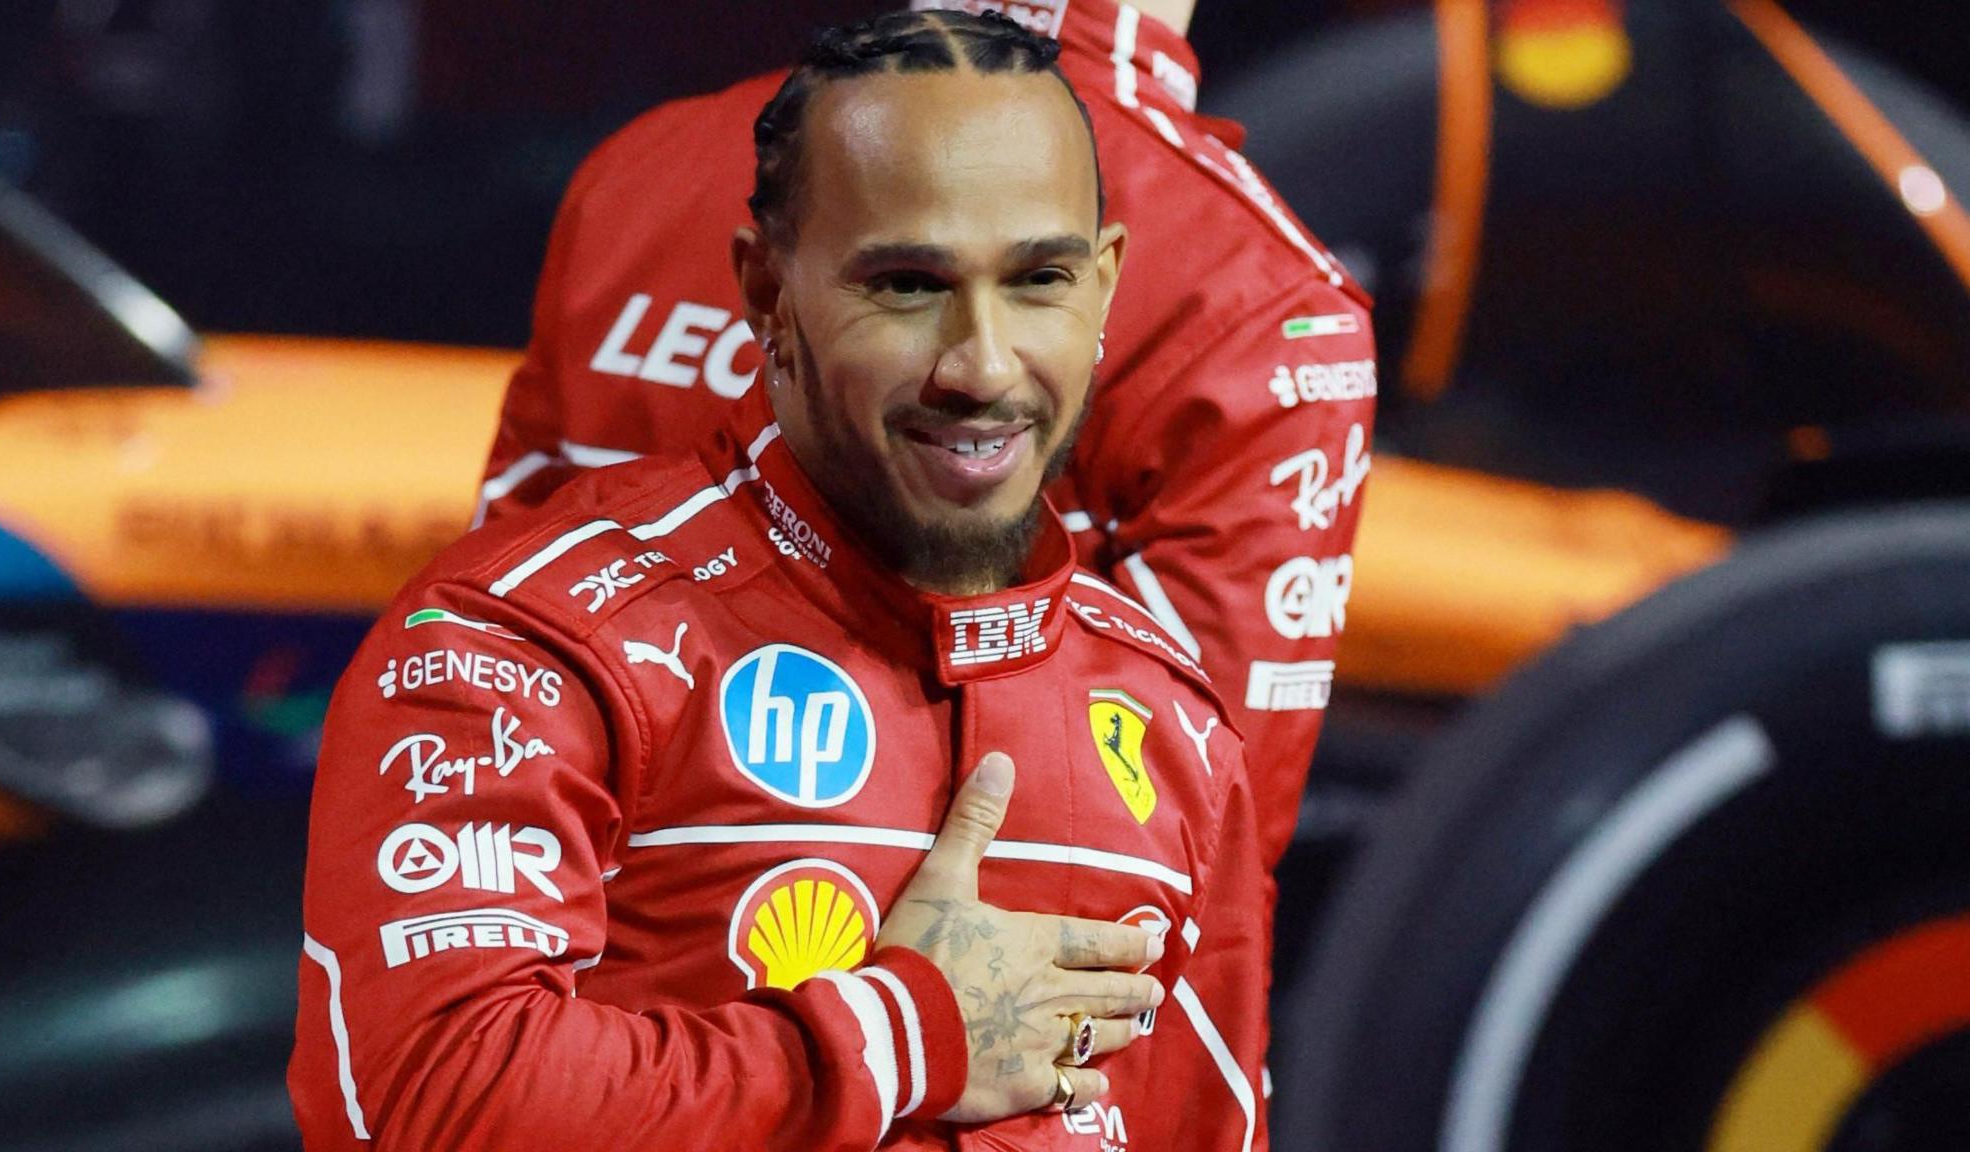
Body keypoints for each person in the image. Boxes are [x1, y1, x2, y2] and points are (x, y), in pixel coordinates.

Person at [290, 12, 1268, 1149]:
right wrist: (902, 1034)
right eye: (906, 286)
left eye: (1039, 278)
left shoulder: (1175, 727)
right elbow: (429, 1099)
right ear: (765, 293)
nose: (983, 365)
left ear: (1104, 286)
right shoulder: (523, 641)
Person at [479, 0, 1375, 877]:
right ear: (762, 285)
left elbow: (488, 696)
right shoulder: (1261, 296)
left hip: (584, 965)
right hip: (964, 1005)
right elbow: (1194, 868)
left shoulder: (645, 167)